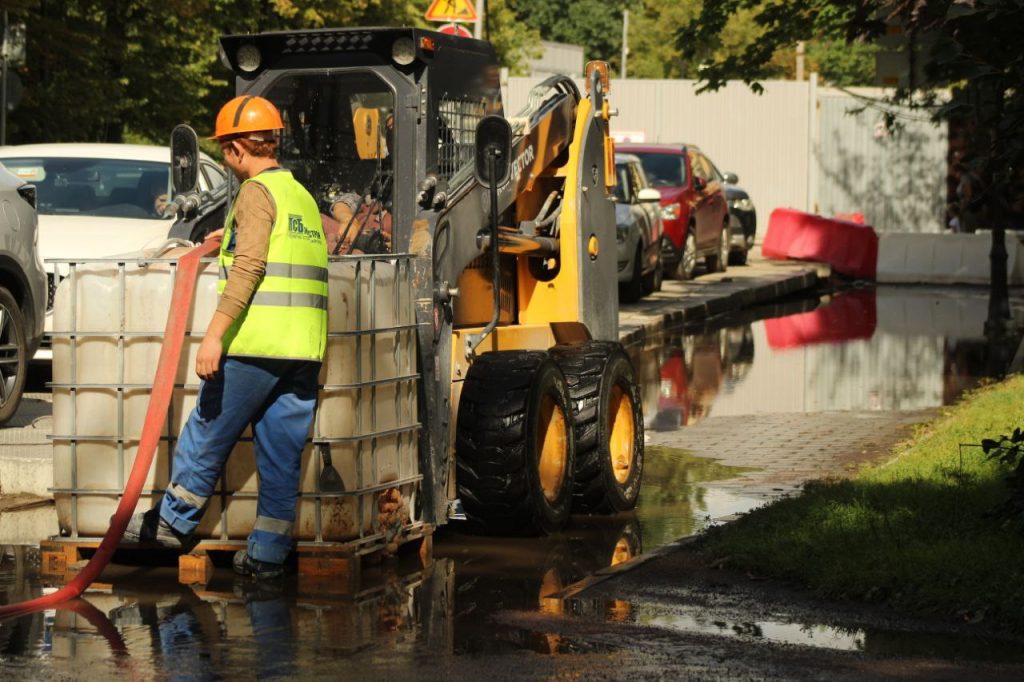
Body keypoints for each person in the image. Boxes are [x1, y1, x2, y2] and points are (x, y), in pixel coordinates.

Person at [124, 95, 328, 580]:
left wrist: (214, 335)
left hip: (256, 344)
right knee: (280, 452)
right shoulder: (300, 195)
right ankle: (268, 555)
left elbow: (253, 267)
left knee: (207, 428)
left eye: (224, 150)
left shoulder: (256, 194)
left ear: (238, 149)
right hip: (303, 349)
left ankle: (174, 522)